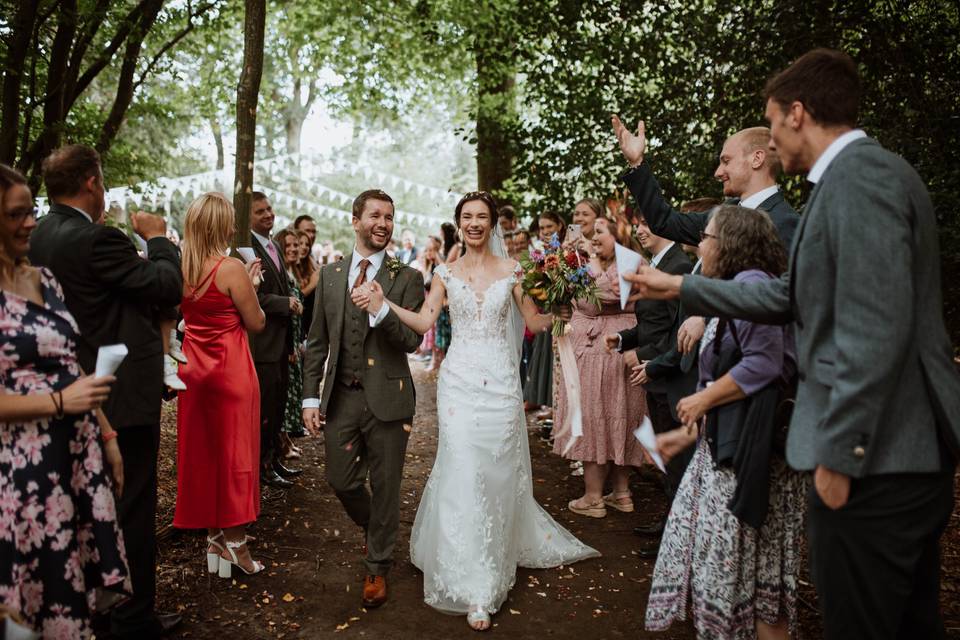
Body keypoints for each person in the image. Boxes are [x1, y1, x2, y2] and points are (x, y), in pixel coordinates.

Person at [626, 48, 960, 640]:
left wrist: (843, 451)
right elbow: (789, 297)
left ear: (797, 113)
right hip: (884, 454)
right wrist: (682, 284)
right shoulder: (851, 180)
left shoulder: (863, 180)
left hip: (877, 458)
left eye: (774, 123)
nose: (775, 141)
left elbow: (873, 326)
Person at [353, 191, 599, 632]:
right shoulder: (445, 272)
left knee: (496, 472)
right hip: (459, 385)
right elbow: (426, 321)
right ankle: (477, 582)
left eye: (482, 217)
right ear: (459, 222)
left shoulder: (514, 270)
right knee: (464, 468)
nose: (474, 224)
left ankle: (496, 554)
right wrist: (383, 305)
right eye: (467, 217)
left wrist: (563, 309)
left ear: (492, 224)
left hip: (502, 385)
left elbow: (535, 322)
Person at [28, 144, 183, 640]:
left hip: (68, 385)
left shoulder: (40, 236)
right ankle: (133, 620)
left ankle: (92, 608)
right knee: (131, 507)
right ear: (93, 182)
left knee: (86, 502)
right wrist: (158, 241)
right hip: (118, 391)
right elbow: (164, 286)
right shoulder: (98, 239)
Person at [645, 205, 805, 640]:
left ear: (730, 245)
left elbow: (765, 364)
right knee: (747, 585)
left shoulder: (753, 287)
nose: (700, 246)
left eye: (707, 238)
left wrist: (702, 399)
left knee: (753, 588)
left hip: (752, 460)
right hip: (725, 453)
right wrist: (686, 434)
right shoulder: (734, 290)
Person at [0, 163, 130, 638]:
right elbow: (62, 390)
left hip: (77, 454)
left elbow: (70, 364)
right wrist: (57, 403)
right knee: (31, 597)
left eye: (30, 211)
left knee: (71, 591)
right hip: (20, 471)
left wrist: (108, 435)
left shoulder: (45, 280)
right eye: (16, 215)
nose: (30, 223)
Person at [300, 189, 425, 610]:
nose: (383, 224)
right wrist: (309, 399)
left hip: (389, 398)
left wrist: (382, 308)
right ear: (356, 220)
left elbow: (411, 340)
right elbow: (316, 343)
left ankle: (377, 566)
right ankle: (379, 529)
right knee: (342, 480)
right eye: (375, 215)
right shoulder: (331, 275)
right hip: (342, 398)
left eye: (389, 217)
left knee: (387, 486)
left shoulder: (406, 277)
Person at [173, 193, 267, 578]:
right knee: (235, 457)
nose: (233, 227)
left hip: (193, 372)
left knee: (205, 456)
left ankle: (213, 538)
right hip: (230, 373)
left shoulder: (181, 267)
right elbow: (256, 322)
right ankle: (237, 545)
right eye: (229, 221)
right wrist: (253, 286)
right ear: (218, 226)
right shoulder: (231, 268)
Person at [604, 215, 692, 554]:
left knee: (677, 456)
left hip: (669, 374)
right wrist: (624, 338)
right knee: (666, 456)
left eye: (645, 224)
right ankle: (670, 520)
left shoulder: (679, 265)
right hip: (654, 370)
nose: (639, 230)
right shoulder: (658, 262)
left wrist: (647, 358)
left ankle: (678, 532)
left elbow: (676, 330)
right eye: (637, 225)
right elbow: (652, 322)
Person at [553, 218, 648, 518]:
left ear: (618, 236)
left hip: (603, 349)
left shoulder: (623, 265)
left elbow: (595, 301)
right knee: (619, 413)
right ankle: (621, 493)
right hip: (620, 345)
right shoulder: (634, 262)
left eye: (600, 233)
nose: (593, 238)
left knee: (595, 416)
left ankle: (594, 497)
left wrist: (580, 266)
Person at [611, 117, 799, 250]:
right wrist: (637, 163)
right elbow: (665, 222)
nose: (717, 172)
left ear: (757, 159)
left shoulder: (784, 223)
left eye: (726, 161)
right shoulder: (723, 212)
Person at [248, 192, 301, 489]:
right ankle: (262, 467)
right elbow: (250, 293)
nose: (268, 214)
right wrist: (285, 303)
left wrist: (291, 346)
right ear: (249, 216)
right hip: (262, 343)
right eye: (260, 211)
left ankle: (273, 458)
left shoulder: (274, 246)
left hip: (280, 344)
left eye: (269, 209)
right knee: (265, 409)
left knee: (278, 406)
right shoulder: (247, 248)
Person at [522, 211, 566, 419]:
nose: (546, 231)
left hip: (566, 314)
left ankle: (559, 408)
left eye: (550, 226)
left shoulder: (567, 251)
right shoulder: (540, 255)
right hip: (548, 311)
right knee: (547, 361)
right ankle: (551, 405)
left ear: (559, 226)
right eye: (542, 228)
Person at [277, 228, 307, 450]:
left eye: (296, 245)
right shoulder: (281, 274)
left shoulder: (292, 272)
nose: (294, 249)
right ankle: (281, 443)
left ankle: (285, 439)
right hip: (286, 340)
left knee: (292, 389)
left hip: (295, 338)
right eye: (289, 245)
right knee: (285, 395)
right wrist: (289, 346)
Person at [294, 224, 320, 336]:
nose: (304, 247)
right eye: (300, 243)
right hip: (297, 327)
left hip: (309, 327)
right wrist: (312, 285)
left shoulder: (311, 267)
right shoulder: (289, 270)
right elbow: (293, 299)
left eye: (307, 244)